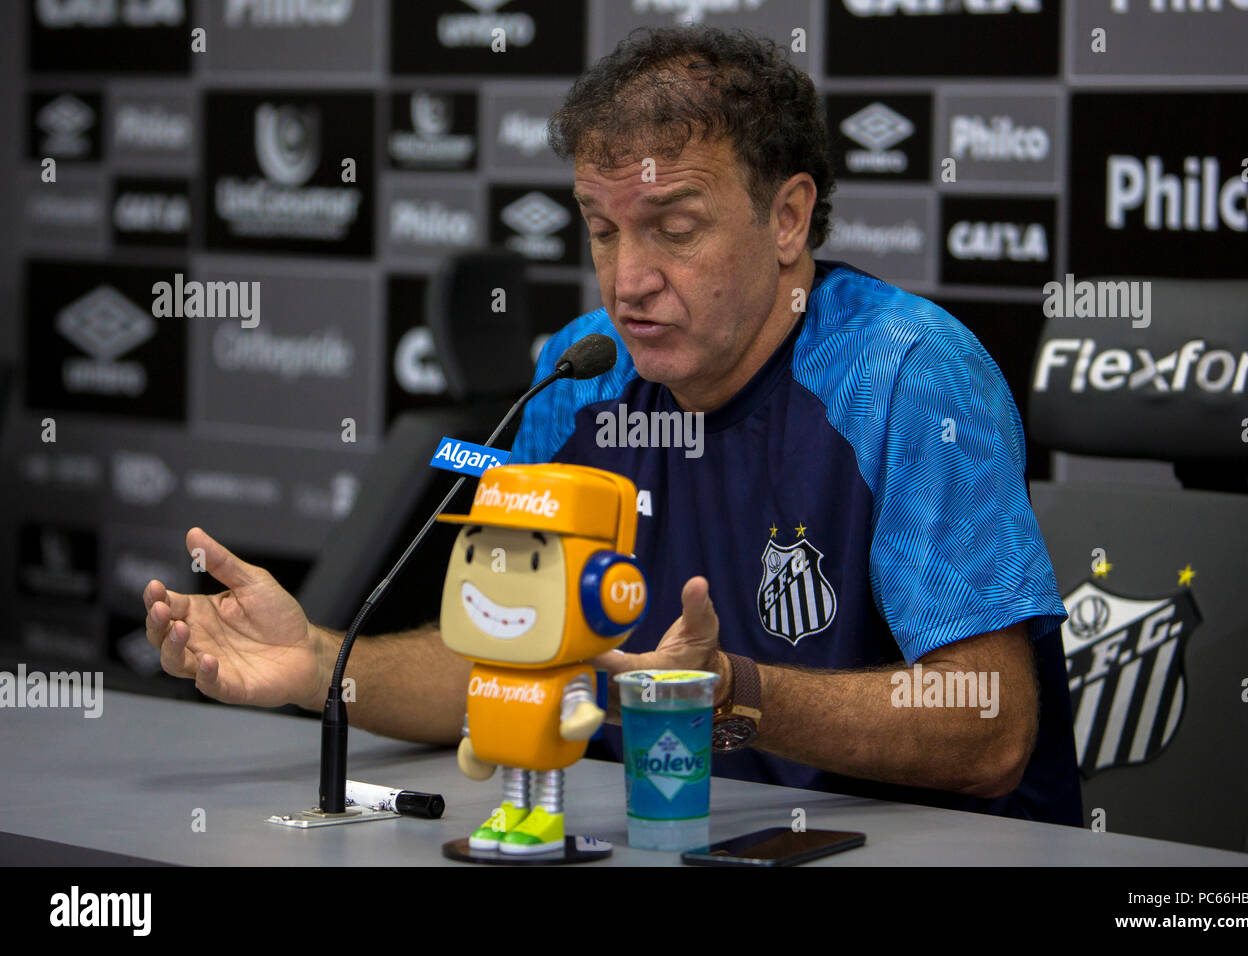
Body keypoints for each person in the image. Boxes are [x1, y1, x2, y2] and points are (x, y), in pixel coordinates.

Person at [143, 26, 1082, 826]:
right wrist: (315, 662)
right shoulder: (585, 367)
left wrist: (731, 694)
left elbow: (991, 728)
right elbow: (505, 658)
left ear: (788, 216)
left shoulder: (907, 374)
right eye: (602, 229)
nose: (628, 280)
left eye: (673, 228)